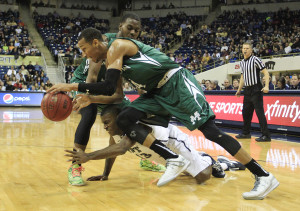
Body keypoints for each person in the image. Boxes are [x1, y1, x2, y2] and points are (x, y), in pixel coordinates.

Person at [48, 28, 279, 200]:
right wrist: (90, 98)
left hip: (176, 82)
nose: (84, 54)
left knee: (211, 132)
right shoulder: (110, 61)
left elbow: (108, 86)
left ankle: (263, 175)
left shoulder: (117, 46)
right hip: (156, 93)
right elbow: (115, 95)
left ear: (96, 42)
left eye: (84, 49)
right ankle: (173, 158)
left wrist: (70, 87)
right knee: (125, 118)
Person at [67, 13, 166, 186]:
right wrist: (86, 96)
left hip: (108, 87)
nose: (133, 32)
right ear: (120, 26)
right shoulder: (107, 43)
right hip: (85, 83)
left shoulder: (131, 47)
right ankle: (76, 166)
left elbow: (121, 80)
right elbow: (92, 78)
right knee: (89, 114)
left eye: (137, 30)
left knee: (127, 116)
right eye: (130, 28)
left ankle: (144, 155)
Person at [66, 105, 243, 184]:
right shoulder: (116, 134)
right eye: (103, 123)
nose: (105, 127)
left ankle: (213, 160)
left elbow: (121, 149)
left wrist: (88, 156)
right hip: (163, 158)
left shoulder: (135, 127)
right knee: (188, 174)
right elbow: (112, 152)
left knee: (202, 177)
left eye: (107, 122)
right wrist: (105, 175)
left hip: (177, 145)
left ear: (120, 119)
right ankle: (206, 163)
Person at [235, 43, 271, 142]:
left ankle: (266, 135)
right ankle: (246, 133)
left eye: (247, 48)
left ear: (251, 50)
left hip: (256, 89)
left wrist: (266, 86)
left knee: (259, 113)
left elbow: (266, 72)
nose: (245, 50)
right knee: (246, 113)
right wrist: (239, 90)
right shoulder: (242, 62)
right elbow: (243, 77)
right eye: (243, 48)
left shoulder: (256, 60)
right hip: (247, 90)